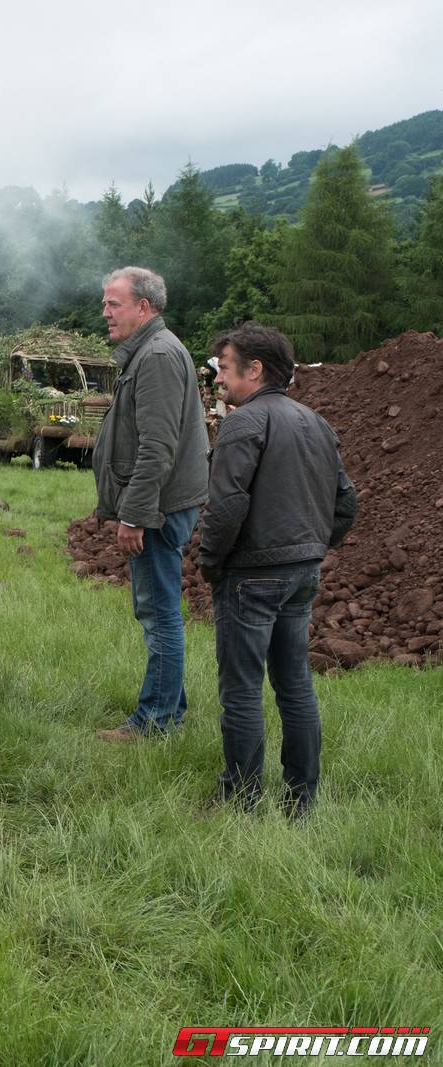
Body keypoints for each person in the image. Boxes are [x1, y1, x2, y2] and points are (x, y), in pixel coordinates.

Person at [199, 323, 357, 817]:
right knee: (295, 685)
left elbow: (225, 508)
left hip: (251, 576)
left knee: (242, 688)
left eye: (225, 368)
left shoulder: (244, 424)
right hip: (302, 573)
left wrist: (210, 564)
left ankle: (240, 801)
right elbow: (346, 503)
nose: (219, 378)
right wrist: (313, 546)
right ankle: (301, 801)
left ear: (255, 369)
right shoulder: (316, 422)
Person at [92, 267, 211, 741]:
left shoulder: (157, 355)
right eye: (104, 302)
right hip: (162, 503)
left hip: (159, 508)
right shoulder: (151, 351)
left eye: (113, 303)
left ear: (144, 307)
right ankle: (169, 708)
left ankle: (155, 722)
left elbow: (157, 446)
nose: (105, 311)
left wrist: (135, 514)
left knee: (158, 611)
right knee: (157, 608)